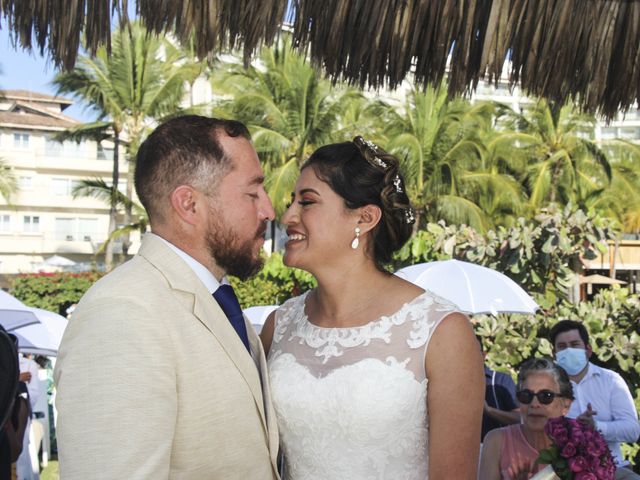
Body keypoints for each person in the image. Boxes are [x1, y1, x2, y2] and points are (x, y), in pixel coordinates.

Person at [54, 115, 280, 479]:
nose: (268, 210)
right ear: (188, 204)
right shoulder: (123, 314)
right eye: (252, 193)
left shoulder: (214, 299)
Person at [260, 137, 484, 479]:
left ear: (364, 219)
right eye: (292, 201)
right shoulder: (281, 324)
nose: (288, 215)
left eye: (307, 202)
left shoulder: (441, 332)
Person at [549, 320, 640, 479]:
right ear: (553, 353)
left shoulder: (611, 381)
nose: (568, 351)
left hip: (612, 469)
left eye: (575, 344)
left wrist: (597, 427)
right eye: (562, 347)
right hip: (561, 472)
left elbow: (633, 430)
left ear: (588, 350)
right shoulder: (545, 387)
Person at [478, 357, 574, 479]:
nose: (534, 404)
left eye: (545, 396)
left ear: (566, 405)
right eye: (526, 396)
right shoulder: (496, 441)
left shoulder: (584, 443)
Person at [478, 337, 520, 441]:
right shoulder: (453, 384)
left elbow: (519, 418)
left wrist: (489, 410)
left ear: (483, 355)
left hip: (501, 450)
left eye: (471, 351)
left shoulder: (500, 380)